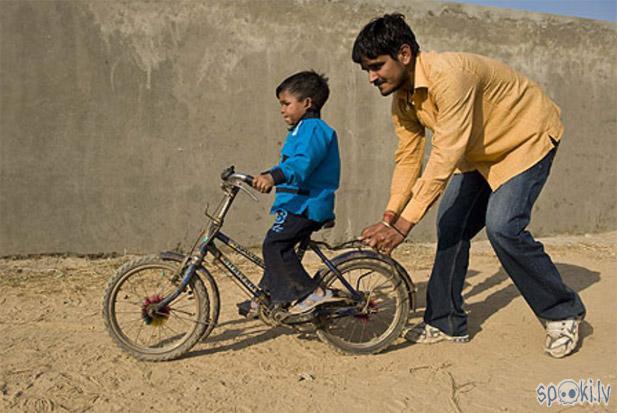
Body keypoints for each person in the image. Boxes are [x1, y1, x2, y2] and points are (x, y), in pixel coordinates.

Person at [352, 13, 586, 358]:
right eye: (366, 70)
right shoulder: (403, 98)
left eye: (376, 66)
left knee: (504, 227)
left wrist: (403, 227)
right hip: (479, 153)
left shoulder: (450, 75)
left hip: (526, 140)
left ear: (404, 54)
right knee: (452, 225)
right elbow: (408, 158)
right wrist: (390, 216)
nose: (372, 77)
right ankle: (445, 321)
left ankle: (562, 311)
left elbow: (445, 153)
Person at [240, 70, 343, 317]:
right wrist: (266, 175)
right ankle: (266, 296)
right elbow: (291, 164)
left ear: (307, 103)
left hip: (308, 205)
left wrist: (271, 178)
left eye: (286, 103)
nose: (282, 110)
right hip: (297, 204)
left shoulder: (314, 129)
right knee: (277, 246)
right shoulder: (301, 130)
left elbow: (302, 163)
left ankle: (311, 293)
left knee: (275, 244)